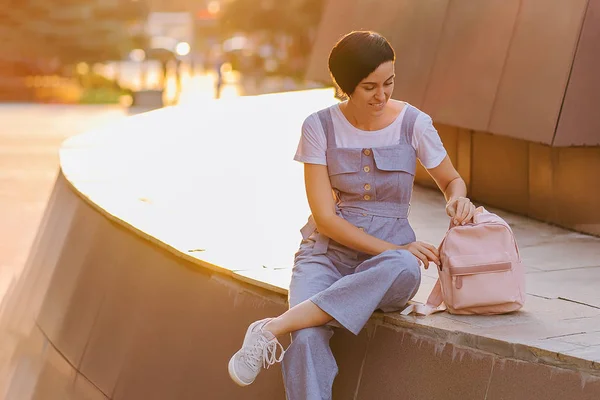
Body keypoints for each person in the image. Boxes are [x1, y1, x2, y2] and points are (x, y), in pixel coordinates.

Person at [227, 31, 476, 399]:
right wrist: (394, 249)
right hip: (326, 256)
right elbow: (325, 219)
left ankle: (271, 329)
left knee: (405, 267)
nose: (382, 95)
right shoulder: (318, 126)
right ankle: (294, 330)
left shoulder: (414, 123)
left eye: (389, 82)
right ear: (345, 86)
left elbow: (452, 180)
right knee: (308, 337)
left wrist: (457, 199)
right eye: (369, 87)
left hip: (389, 265)